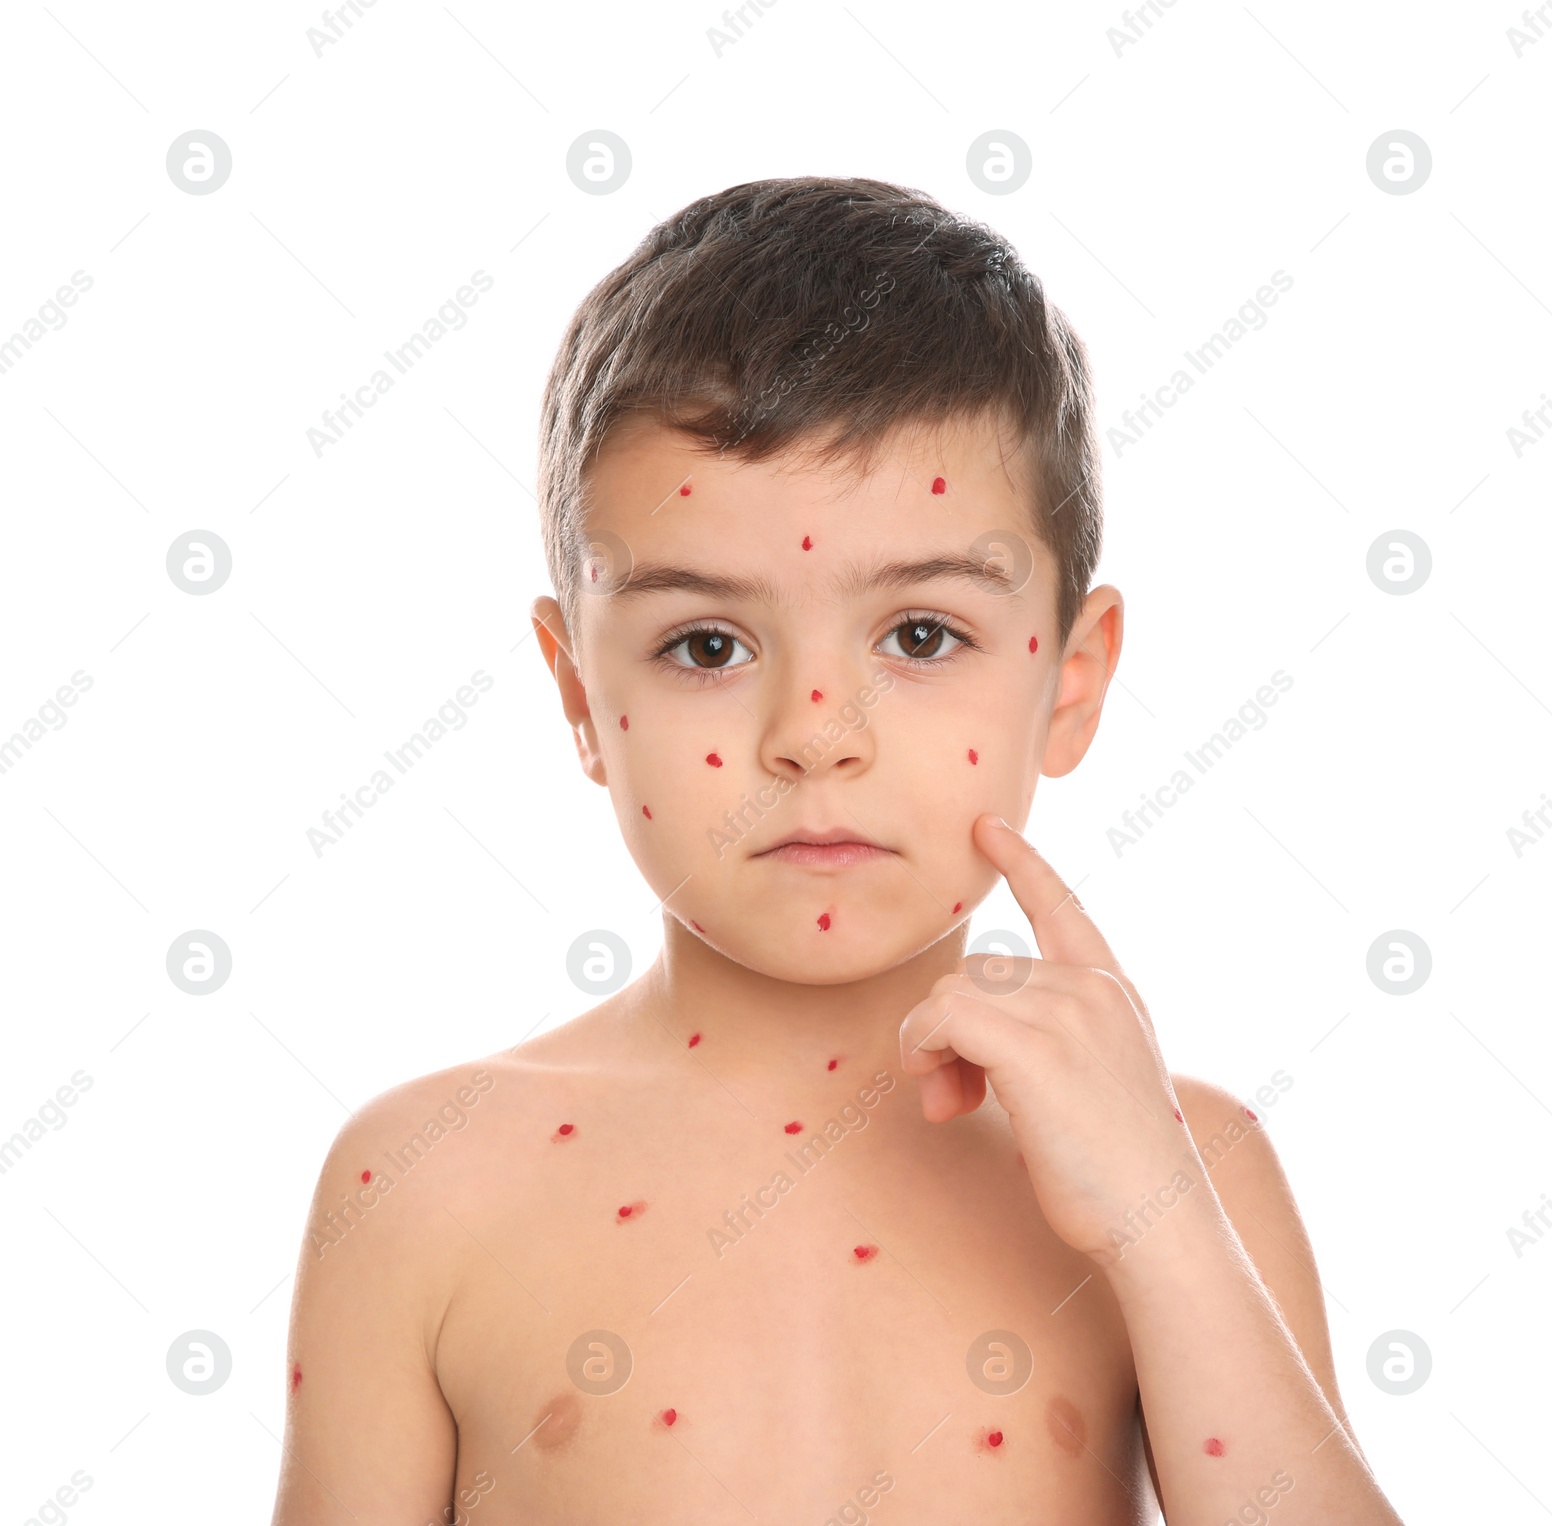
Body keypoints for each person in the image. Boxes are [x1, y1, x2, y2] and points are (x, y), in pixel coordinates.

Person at [270, 176, 1404, 1525]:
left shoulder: (1185, 1163)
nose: (814, 734)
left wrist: (1160, 1225)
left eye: (921, 636)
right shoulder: (424, 1183)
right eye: (707, 644)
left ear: (1074, 679)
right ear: (581, 694)